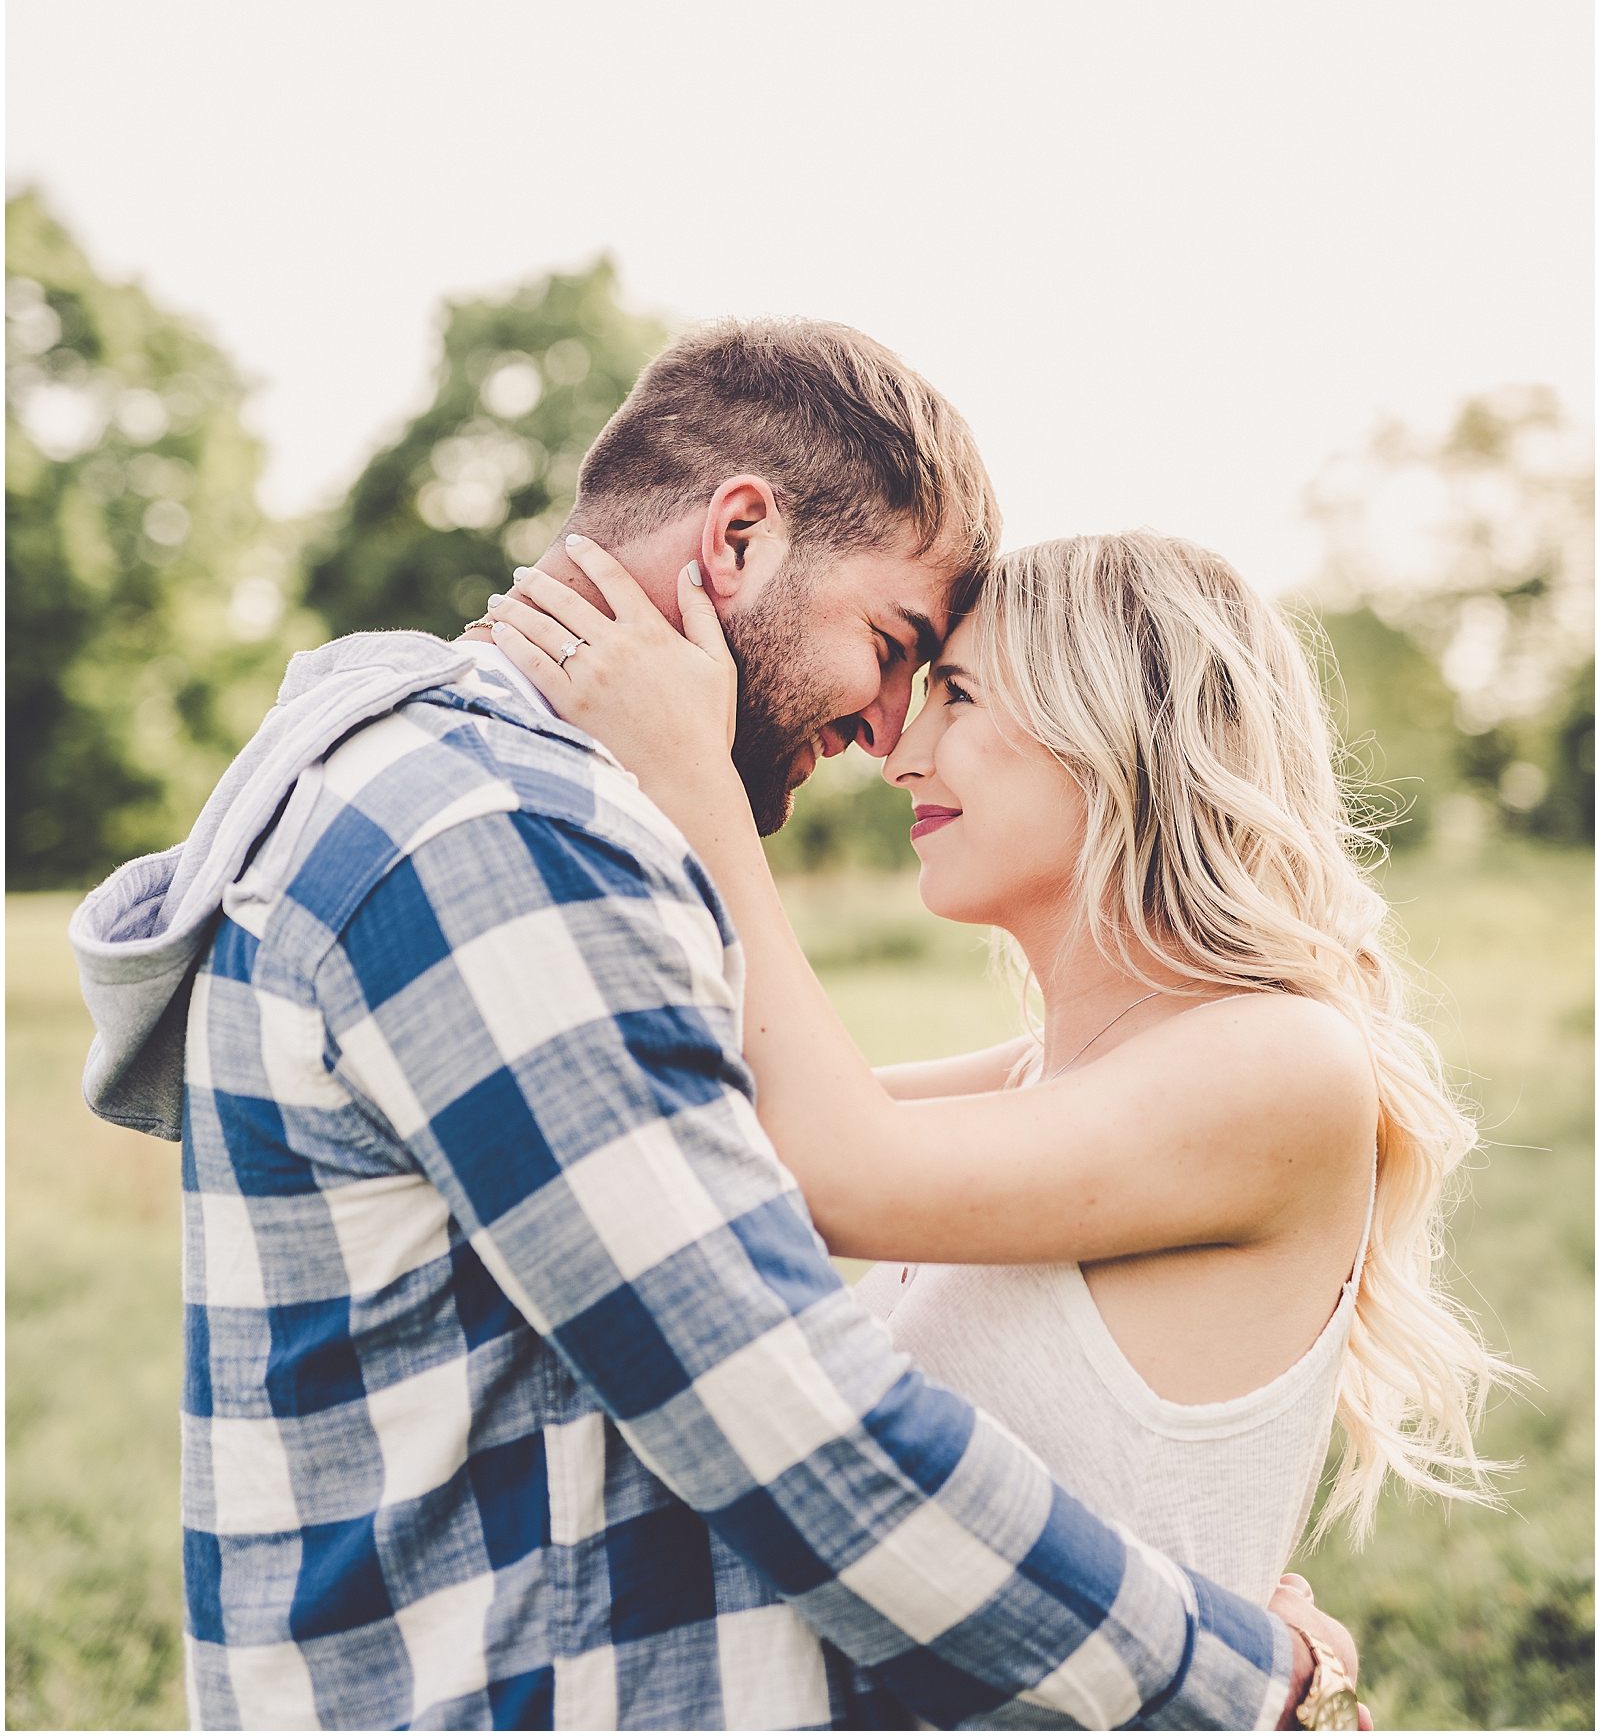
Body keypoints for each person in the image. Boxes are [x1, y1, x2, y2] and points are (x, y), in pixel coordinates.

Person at [72, 320, 1359, 1732]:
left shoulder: (492, 808)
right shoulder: (496, 835)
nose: (888, 734)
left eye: (944, 685)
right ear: (737, 537)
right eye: (895, 648)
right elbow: (788, 1403)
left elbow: (744, 1173)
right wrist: (1220, 1662)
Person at [483, 521, 1519, 1631]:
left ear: (1121, 728)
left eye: (960, 697)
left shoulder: (1284, 1061)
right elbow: (730, 1135)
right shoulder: (1047, 1075)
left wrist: (693, 778)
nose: (900, 750)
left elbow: (835, 1174)